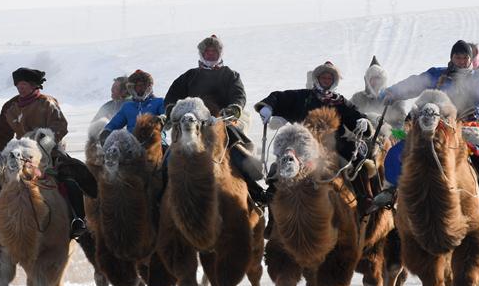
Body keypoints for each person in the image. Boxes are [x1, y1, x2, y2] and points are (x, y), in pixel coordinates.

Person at [379, 40, 479, 212]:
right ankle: (389, 189)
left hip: (464, 126)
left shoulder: (476, 78)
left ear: (470, 59)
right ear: (452, 58)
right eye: (457, 57)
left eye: (464, 57)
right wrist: (392, 92)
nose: (461, 61)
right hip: (434, 125)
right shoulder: (437, 74)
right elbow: (414, 83)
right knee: (400, 149)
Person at [255, 60, 375, 211]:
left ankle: (364, 198)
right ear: (317, 79)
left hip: (333, 145)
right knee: (281, 165)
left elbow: (354, 116)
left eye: (329, 78)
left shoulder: (340, 102)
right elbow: (278, 97)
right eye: (323, 78)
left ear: (334, 81)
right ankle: (272, 203)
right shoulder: (302, 96)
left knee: (357, 160)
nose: (326, 81)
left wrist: (362, 122)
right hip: (303, 144)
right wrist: (268, 107)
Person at [163, 35, 265, 205]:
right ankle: (160, 196)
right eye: (207, 52)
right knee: (169, 158)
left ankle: (255, 192)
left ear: (220, 53)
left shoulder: (230, 75)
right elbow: (172, 97)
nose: (210, 55)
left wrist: (234, 108)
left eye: (214, 52)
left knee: (236, 150)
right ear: (202, 53)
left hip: (220, 122)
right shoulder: (189, 76)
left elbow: (238, 95)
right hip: (191, 123)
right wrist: (171, 110)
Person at [0, 67, 91, 238]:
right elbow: (2, 133)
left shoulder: (47, 103)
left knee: (69, 181)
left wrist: (43, 144)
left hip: (50, 151)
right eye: (18, 85)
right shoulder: (11, 107)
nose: (20, 88)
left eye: (24, 84)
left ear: (33, 85)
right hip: (22, 152)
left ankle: (77, 219)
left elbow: (61, 127)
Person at [99, 70, 165, 143]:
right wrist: (106, 132)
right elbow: (115, 124)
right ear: (131, 88)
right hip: (133, 145)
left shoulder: (159, 102)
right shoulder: (128, 106)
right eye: (136, 87)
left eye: (141, 86)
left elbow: (167, 117)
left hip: (156, 142)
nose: (139, 89)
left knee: (171, 152)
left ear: (148, 86)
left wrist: (162, 119)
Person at [349, 56, 407, 128]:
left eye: (378, 78)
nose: (375, 82)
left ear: (383, 80)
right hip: (361, 136)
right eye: (372, 78)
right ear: (367, 81)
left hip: (388, 137)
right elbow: (347, 116)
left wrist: (392, 135)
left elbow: (403, 124)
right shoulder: (358, 99)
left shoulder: (393, 99)